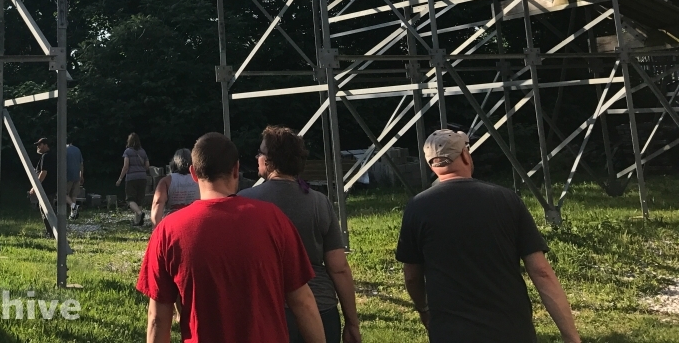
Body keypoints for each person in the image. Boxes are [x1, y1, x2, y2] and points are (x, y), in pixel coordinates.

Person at [396, 129, 581, 343]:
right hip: (510, 330)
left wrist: (424, 309)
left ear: (431, 165)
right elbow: (541, 272)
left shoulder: (417, 208)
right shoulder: (506, 200)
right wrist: (572, 337)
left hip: (451, 332)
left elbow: (412, 276)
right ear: (465, 155)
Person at [137, 132, 325, 343]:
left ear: (193, 173)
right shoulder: (273, 220)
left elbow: (158, 319)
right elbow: (303, 302)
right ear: (236, 169)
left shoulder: (167, 231)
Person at [240, 126, 361, 343]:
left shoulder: (244, 202)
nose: (257, 157)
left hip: (269, 311)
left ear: (269, 160)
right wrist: (352, 322)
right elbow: (339, 267)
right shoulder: (319, 202)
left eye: (260, 152)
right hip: (321, 307)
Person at [150, 148, 199, 225]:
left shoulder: (166, 181)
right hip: (194, 221)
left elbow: (158, 203)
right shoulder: (200, 180)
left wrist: (156, 227)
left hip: (172, 223)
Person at [116, 132, 149, 225]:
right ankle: (137, 221)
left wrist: (120, 179)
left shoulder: (127, 151)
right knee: (139, 200)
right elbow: (147, 165)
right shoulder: (143, 151)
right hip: (142, 177)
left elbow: (126, 166)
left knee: (130, 199)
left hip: (131, 178)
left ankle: (139, 213)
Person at [28, 137, 57, 238]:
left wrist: (36, 187)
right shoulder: (52, 155)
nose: (38, 147)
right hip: (52, 187)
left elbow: (44, 172)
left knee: (46, 210)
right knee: (49, 209)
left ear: (45, 145)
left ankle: (51, 233)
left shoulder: (46, 156)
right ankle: (53, 231)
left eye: (39, 145)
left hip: (46, 188)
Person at [66, 140, 84, 219]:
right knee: (73, 195)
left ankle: (73, 206)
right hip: (76, 175)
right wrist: (81, 176)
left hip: (67, 176)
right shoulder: (77, 150)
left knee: (62, 194)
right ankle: (73, 214)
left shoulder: (63, 150)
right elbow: (81, 164)